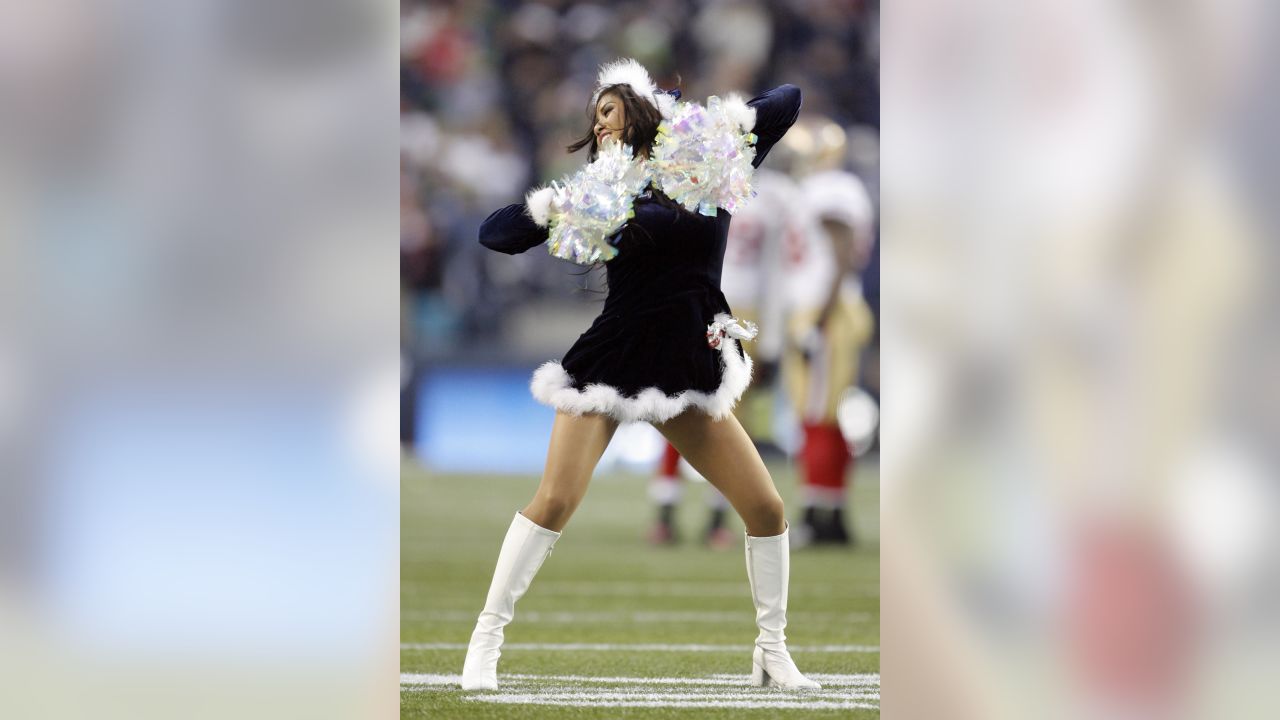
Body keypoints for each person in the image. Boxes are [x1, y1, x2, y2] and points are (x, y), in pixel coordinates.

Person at [462, 58, 818, 691]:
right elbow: (496, 235)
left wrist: (718, 123)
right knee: (556, 500)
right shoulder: (602, 192)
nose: (597, 123)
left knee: (766, 507)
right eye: (591, 115)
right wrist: (554, 204)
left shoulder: (712, 160)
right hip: (617, 356)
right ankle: (485, 644)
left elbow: (787, 100)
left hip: (687, 360)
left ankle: (772, 649)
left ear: (644, 106)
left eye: (608, 107)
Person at [785, 170, 877, 545]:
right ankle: (835, 516)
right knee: (831, 422)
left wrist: (820, 321)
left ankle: (814, 516)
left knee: (816, 418)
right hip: (832, 310)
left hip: (827, 313)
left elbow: (840, 254)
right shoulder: (844, 186)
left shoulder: (828, 188)